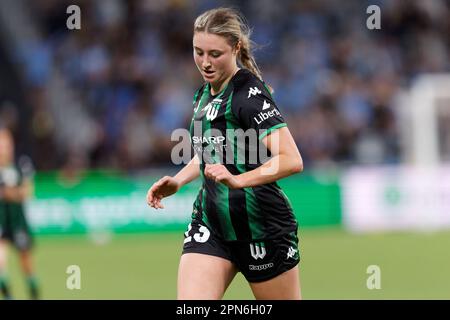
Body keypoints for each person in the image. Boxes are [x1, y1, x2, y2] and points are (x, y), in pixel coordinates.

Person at [147, 7, 303, 300]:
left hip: (260, 227)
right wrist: (178, 181)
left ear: (236, 48)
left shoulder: (248, 94)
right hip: (211, 223)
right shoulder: (204, 94)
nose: (205, 62)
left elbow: (291, 159)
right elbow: (210, 154)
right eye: (198, 52)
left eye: (214, 54)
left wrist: (239, 181)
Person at [0, 128, 39, 300]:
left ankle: (33, 291)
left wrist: (10, 193)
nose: (4, 148)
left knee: (26, 262)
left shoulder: (21, 163)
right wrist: (12, 193)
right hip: (1, 221)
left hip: (18, 221)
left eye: (6, 144)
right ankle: (8, 296)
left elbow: (27, 191)